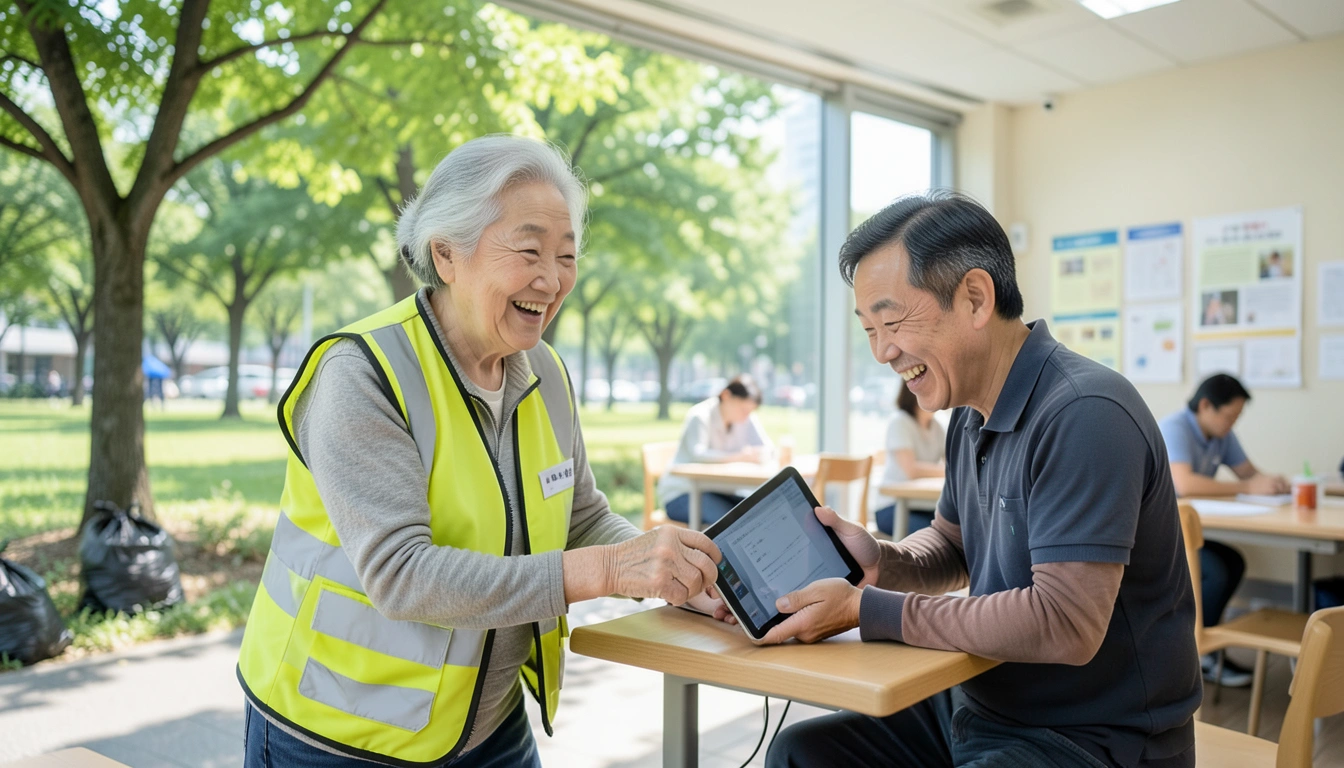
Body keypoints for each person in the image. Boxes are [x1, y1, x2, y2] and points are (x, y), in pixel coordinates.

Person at [237, 135, 723, 768]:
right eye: (528, 251)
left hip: (487, 726)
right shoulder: (361, 373)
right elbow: (401, 574)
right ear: (446, 254)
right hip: (338, 734)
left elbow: (580, 517)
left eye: (567, 255)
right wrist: (607, 571)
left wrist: (671, 571)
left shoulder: (543, 371)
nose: (552, 279)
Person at [759, 192, 1200, 768]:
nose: (883, 352)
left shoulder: (1085, 412)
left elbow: (1066, 622)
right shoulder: (968, 414)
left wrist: (868, 610)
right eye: (869, 330)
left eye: (891, 322)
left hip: (1094, 736)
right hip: (983, 703)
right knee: (801, 754)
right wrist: (881, 560)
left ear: (974, 297)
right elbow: (951, 546)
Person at [1158, 373, 1288, 688]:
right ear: (1205, 406)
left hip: (1188, 533)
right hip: (1160, 534)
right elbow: (1184, 484)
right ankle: (1195, 652)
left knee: (1233, 561)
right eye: (1229, 416)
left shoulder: (1221, 435)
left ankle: (1206, 647)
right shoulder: (1175, 427)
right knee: (1214, 571)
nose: (1232, 423)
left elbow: (1250, 473)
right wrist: (1248, 485)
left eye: (1237, 417)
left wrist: (1273, 483)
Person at [658, 376, 772, 526]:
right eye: (743, 409)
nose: (746, 416)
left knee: (761, 510)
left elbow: (767, 448)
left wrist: (757, 454)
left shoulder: (745, 419)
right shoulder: (700, 416)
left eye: (750, 411)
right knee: (731, 523)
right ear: (726, 396)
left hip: (719, 490)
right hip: (683, 493)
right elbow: (699, 455)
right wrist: (740, 457)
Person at [872, 382, 945, 538]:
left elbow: (953, 463)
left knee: (957, 528)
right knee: (935, 535)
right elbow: (910, 470)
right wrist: (948, 471)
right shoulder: (899, 422)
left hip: (921, 504)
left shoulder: (937, 427)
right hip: (891, 506)